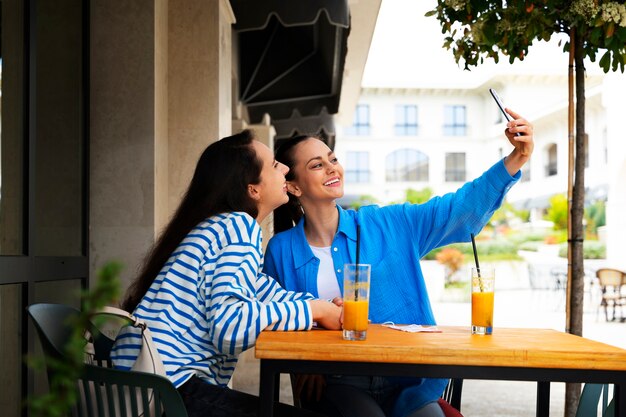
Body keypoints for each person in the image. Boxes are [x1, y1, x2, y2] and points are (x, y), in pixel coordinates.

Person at [263, 109, 534, 417]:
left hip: (410, 380)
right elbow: (274, 317)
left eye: (332, 159)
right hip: (339, 382)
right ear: (295, 187)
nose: (331, 168)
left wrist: (517, 157)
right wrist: (303, 360)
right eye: (316, 165)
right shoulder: (281, 251)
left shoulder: (389, 223)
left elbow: (459, 209)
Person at [110, 130, 342, 417]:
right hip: (167, 393)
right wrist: (313, 310)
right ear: (252, 189)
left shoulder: (220, 227)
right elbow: (229, 327)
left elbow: (264, 290)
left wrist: (325, 307)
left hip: (148, 386)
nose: (283, 168)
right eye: (273, 165)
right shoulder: (238, 228)